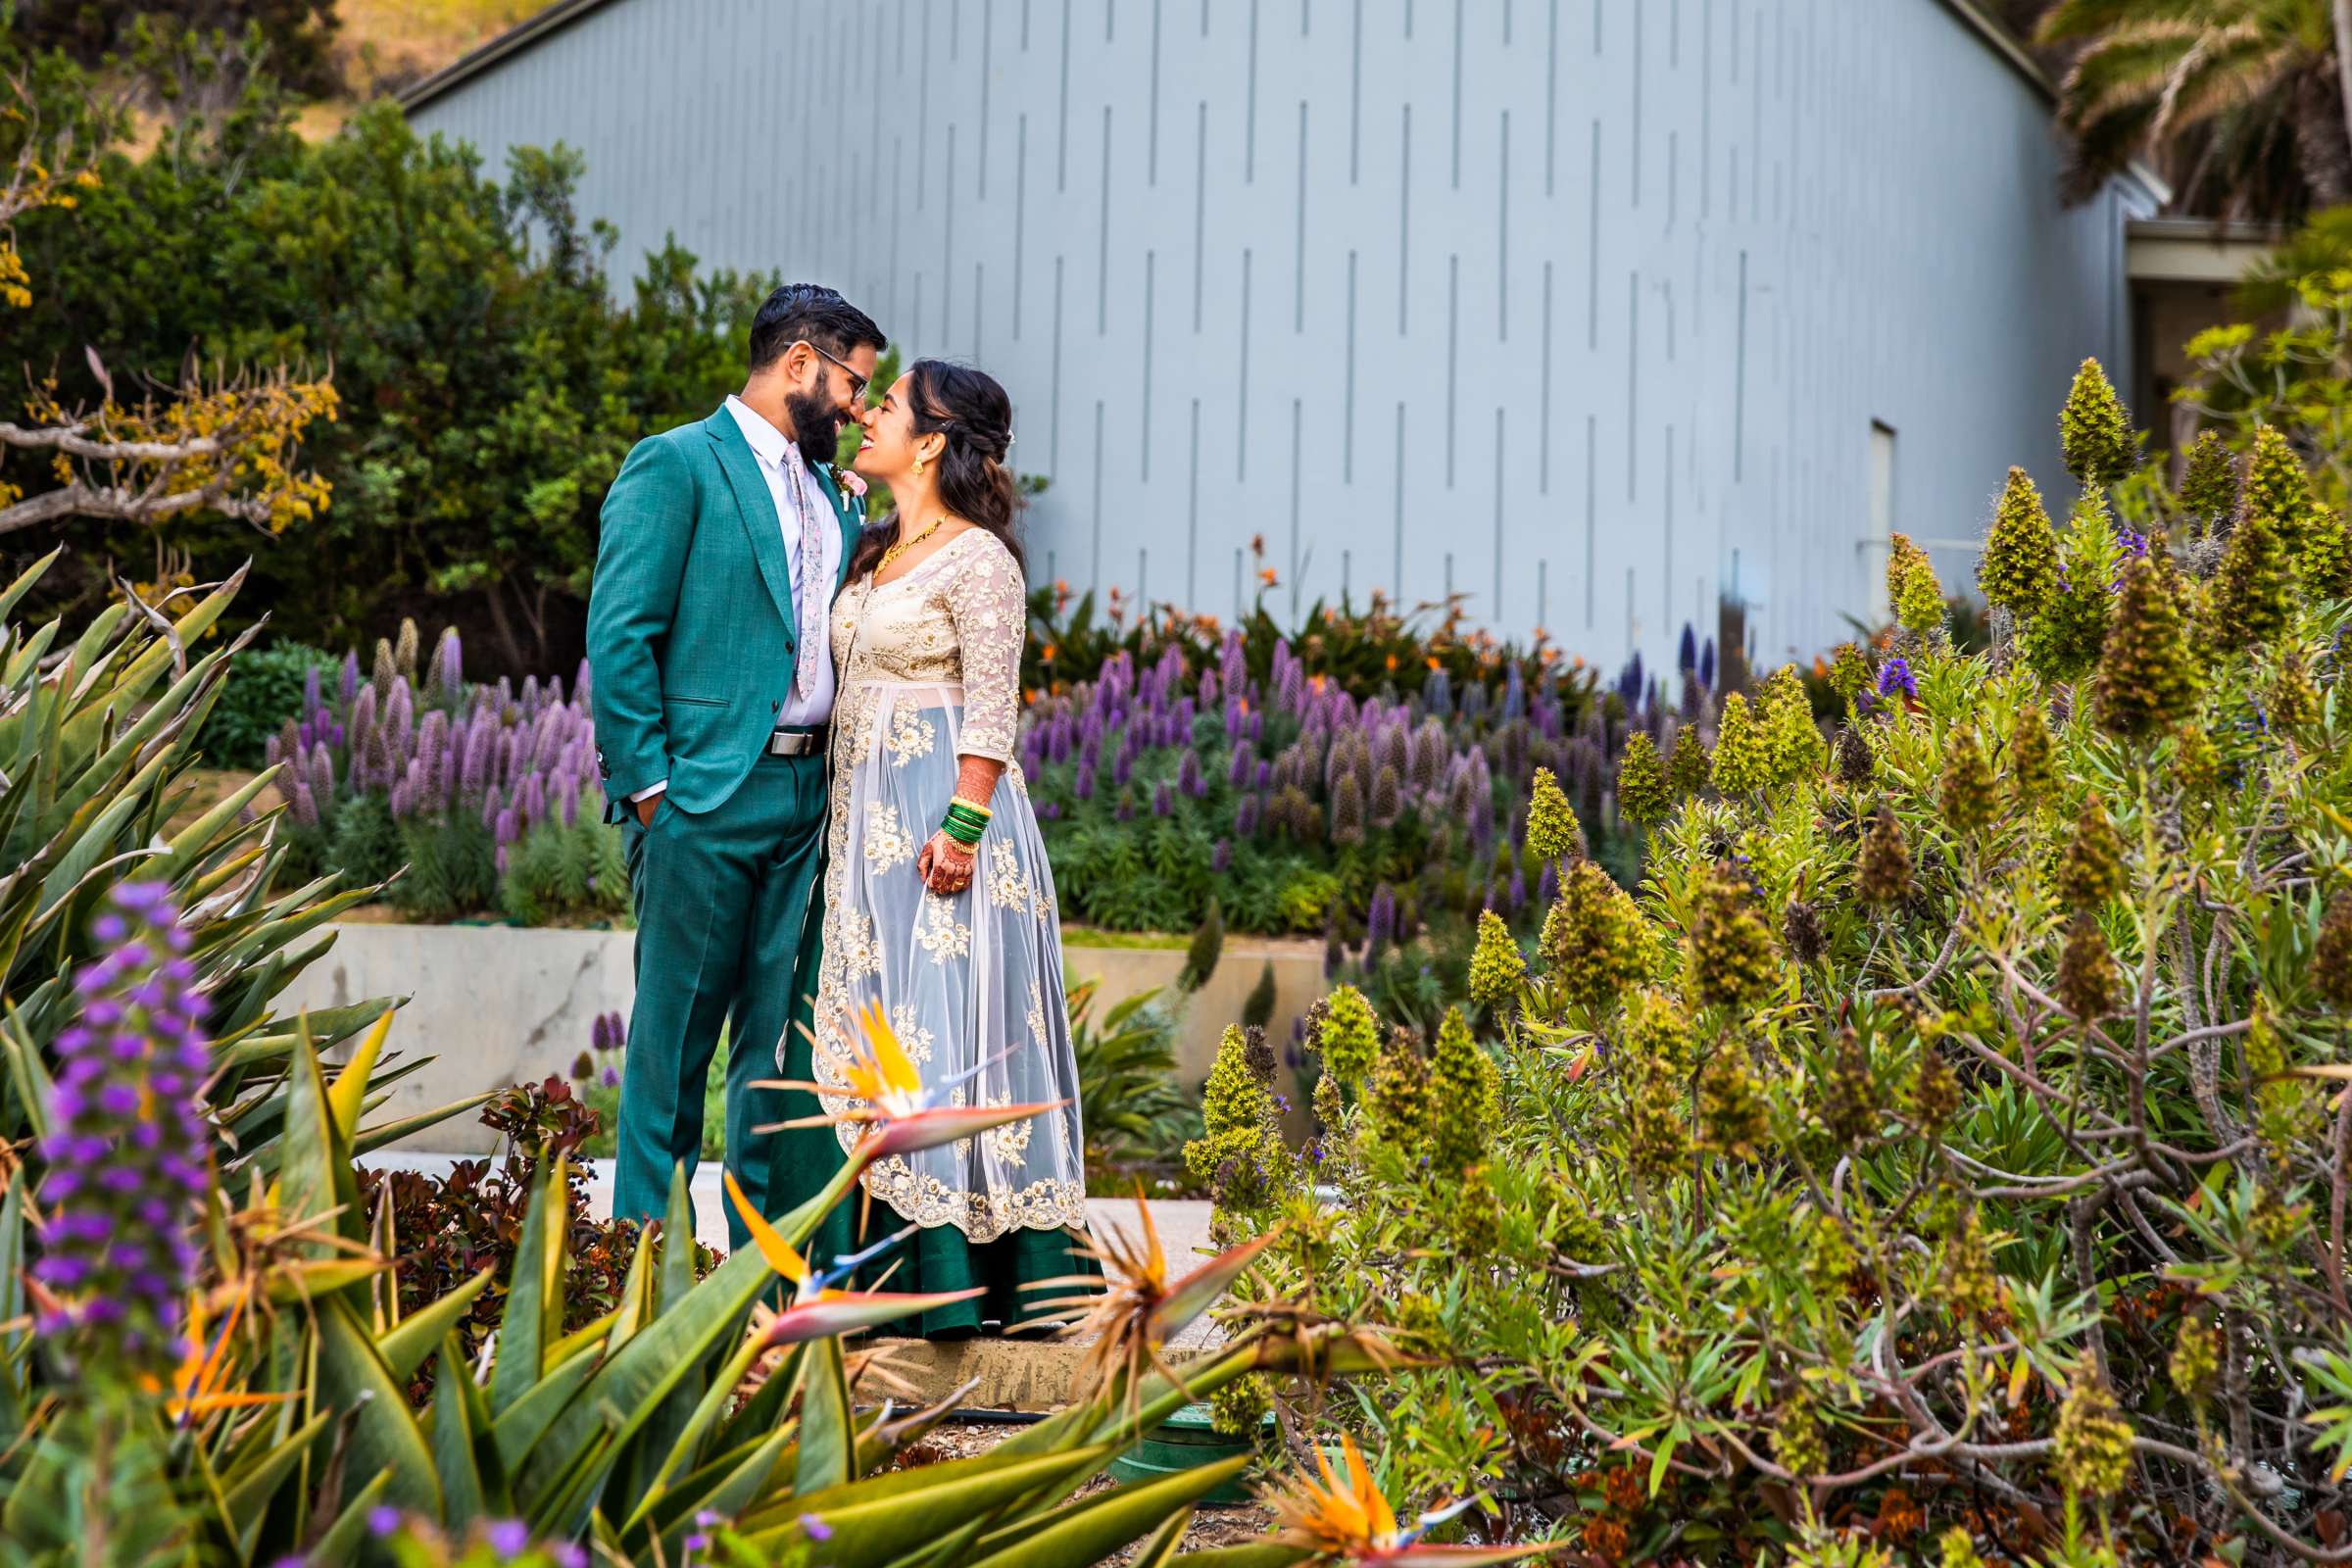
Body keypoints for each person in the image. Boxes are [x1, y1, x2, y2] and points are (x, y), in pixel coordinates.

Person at [586, 283, 884, 1256]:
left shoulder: (834, 490)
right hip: (700, 801)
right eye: (852, 381)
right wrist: (653, 791)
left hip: (807, 804)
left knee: (775, 1061)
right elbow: (621, 633)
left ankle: (759, 1285)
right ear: (799, 360)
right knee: (671, 1056)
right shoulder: (675, 465)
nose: (857, 406)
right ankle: (642, 1282)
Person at [811, 359, 1101, 1337]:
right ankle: (885, 1271)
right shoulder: (882, 545)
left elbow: (990, 708)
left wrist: (964, 829)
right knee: (890, 1028)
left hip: (945, 834)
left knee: (950, 1034)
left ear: (933, 441)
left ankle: (985, 1279)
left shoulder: (978, 560)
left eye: (885, 408)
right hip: (867, 829)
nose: (867, 416)